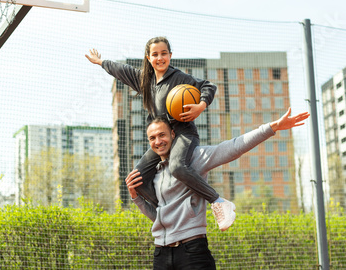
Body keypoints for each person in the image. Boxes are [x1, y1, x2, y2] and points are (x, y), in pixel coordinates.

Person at [125, 108, 310, 270]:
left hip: (192, 251)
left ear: (173, 134)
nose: (158, 141)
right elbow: (158, 217)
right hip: (161, 254)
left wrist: (272, 127)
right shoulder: (154, 174)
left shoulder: (193, 159)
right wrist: (137, 198)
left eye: (162, 135)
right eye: (152, 138)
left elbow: (233, 147)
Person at [86, 36, 235, 231]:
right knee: (135, 180)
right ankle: (168, 211)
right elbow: (122, 70)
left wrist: (200, 106)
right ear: (148, 58)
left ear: (170, 55)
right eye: (155, 54)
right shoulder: (144, 81)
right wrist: (101, 62)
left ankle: (218, 201)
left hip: (183, 133)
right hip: (161, 140)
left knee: (177, 167)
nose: (160, 58)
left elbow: (208, 86)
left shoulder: (179, 77)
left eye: (164, 53)